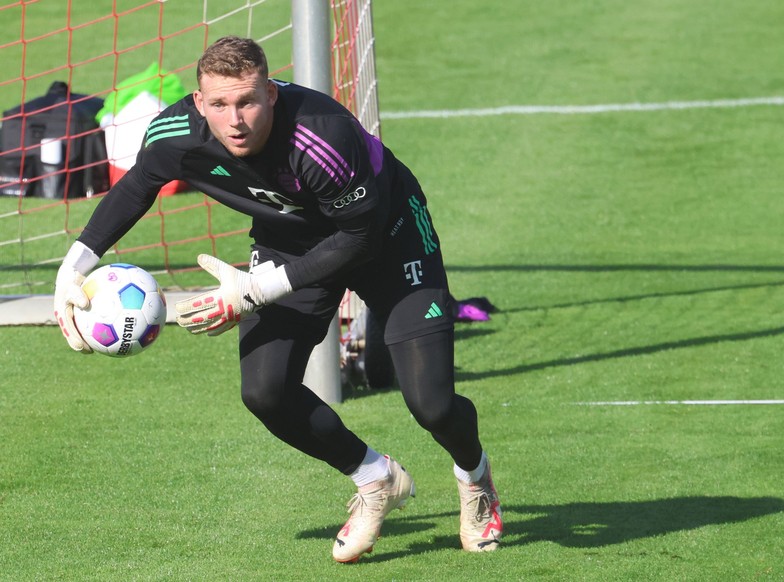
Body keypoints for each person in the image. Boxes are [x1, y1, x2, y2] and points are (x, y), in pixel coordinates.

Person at [53, 36, 502, 562]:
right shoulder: (176, 133)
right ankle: (375, 478)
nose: (234, 119)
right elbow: (138, 185)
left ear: (271, 93)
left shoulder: (321, 136)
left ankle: (475, 480)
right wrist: (75, 265)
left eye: (247, 101)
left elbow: (359, 239)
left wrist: (255, 290)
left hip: (387, 233)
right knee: (266, 391)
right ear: (199, 103)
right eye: (218, 104)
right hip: (290, 240)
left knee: (433, 404)